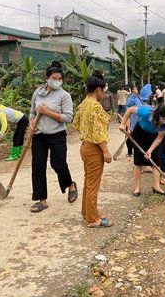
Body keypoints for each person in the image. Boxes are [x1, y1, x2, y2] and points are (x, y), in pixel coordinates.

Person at [29, 61, 77, 213]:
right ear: (47, 78)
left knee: (58, 163)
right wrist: (31, 124)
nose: (57, 81)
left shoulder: (64, 96)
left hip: (57, 135)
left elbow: (68, 118)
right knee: (37, 167)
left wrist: (47, 112)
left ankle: (70, 185)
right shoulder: (38, 92)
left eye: (59, 79)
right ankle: (41, 200)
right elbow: (32, 112)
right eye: (54, 78)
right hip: (39, 135)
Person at [73, 71, 113, 228]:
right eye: (103, 90)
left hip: (85, 146)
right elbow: (98, 132)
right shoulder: (95, 106)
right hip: (94, 147)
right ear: (98, 90)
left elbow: (76, 123)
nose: (104, 93)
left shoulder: (84, 104)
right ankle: (92, 219)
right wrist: (105, 151)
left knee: (88, 182)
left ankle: (88, 212)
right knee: (93, 184)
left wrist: (86, 132)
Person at [119, 103, 165, 196]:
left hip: (153, 137)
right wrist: (123, 124)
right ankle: (137, 187)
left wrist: (150, 150)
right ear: (160, 115)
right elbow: (130, 109)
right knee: (138, 162)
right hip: (139, 134)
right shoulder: (146, 112)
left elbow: (159, 138)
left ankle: (157, 187)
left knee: (156, 162)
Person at [124, 86, 143, 157]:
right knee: (128, 137)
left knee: (137, 138)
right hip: (131, 121)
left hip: (139, 123)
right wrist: (129, 127)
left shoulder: (141, 99)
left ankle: (136, 152)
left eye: (136, 89)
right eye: (133, 89)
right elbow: (127, 115)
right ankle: (129, 152)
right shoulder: (131, 100)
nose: (134, 90)